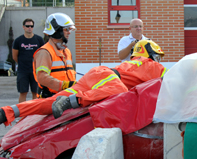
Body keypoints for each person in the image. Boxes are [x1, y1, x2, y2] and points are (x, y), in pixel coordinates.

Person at [0, 39, 166, 126]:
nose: (159, 61)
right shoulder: (152, 65)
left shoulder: (133, 63)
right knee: (121, 92)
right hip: (108, 79)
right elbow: (174, 80)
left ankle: (7, 112)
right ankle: (73, 101)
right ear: (149, 53)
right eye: (158, 56)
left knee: (49, 103)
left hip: (97, 75)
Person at [33, 13, 77, 98]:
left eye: (70, 30)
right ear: (57, 31)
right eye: (66, 29)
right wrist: (63, 85)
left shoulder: (66, 51)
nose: (69, 33)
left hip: (66, 98)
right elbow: (42, 77)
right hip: (49, 100)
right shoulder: (44, 52)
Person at [12, 18, 45, 102]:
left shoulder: (39, 40)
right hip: (22, 71)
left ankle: (34, 113)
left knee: (36, 92)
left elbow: (43, 54)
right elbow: (15, 56)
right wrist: (22, 64)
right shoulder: (18, 41)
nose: (29, 28)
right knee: (23, 92)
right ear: (23, 27)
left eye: (31, 26)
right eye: (27, 26)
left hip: (35, 71)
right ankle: (23, 113)